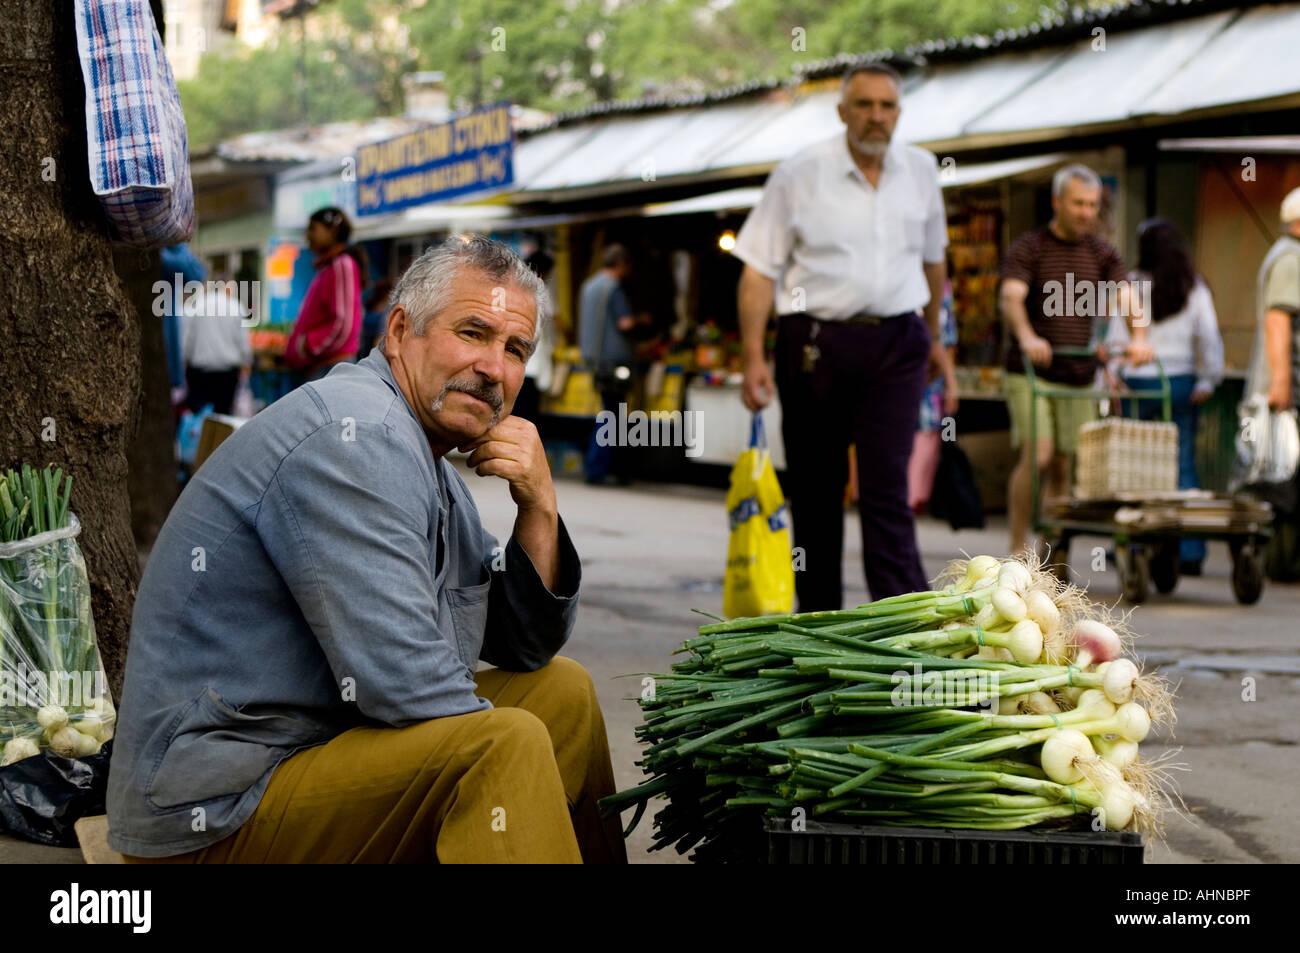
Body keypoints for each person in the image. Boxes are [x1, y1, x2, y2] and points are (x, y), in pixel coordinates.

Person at [106, 235, 626, 864]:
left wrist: (539, 506)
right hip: (218, 806)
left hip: (320, 750)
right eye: (472, 332)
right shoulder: (357, 435)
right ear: (401, 330)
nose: (494, 367)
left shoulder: (422, 453)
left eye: (514, 348)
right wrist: (504, 759)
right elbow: (409, 690)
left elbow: (524, 644)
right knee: (500, 745)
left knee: (560, 696)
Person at [733, 63, 954, 609]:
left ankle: (905, 630)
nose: (876, 117)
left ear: (898, 113)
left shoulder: (923, 169)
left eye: (887, 106)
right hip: (814, 347)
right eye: (864, 105)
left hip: (899, 343)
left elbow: (934, 263)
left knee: (888, 494)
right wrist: (753, 357)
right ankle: (820, 627)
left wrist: (935, 339)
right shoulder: (799, 173)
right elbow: (758, 270)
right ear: (842, 111)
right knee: (815, 494)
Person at [999, 164, 1154, 557]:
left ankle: (1053, 554)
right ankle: (1018, 545)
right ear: (1057, 202)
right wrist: (1028, 336)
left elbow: (1125, 296)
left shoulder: (1102, 252)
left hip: (1079, 373)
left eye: (1093, 205)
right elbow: (1011, 297)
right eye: (1079, 203)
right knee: (1039, 454)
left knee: (1066, 465)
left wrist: (1139, 337)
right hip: (1032, 371)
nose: (1087, 212)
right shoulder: (1030, 248)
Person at [1105, 219, 1223, 575]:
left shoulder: (1131, 286)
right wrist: (1208, 380)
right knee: (1182, 464)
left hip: (1138, 383)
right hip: (1181, 383)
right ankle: (1189, 550)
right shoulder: (1194, 287)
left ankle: (1134, 542)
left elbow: (1115, 336)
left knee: (1134, 464)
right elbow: (1209, 336)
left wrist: (1110, 375)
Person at [1244, 187, 1300, 579]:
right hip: (1289, 387)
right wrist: (1281, 382)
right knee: (1284, 479)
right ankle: (1282, 564)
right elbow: (1278, 320)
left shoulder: (1283, 253)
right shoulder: (1291, 258)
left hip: (1286, 385)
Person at [283, 206, 367, 383]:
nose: (308, 236)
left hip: (331, 367)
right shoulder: (328, 267)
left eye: (313, 229)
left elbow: (344, 323)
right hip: (321, 367)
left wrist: (309, 345)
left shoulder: (342, 265)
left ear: (333, 231)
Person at [579, 244, 637, 485]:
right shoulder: (613, 289)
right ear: (621, 264)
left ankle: (598, 466)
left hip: (594, 358)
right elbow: (624, 323)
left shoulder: (589, 286)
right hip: (614, 361)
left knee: (606, 412)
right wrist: (640, 320)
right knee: (612, 415)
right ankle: (599, 467)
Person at [909, 280, 960, 513]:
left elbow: (944, 340)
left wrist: (950, 383)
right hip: (911, 377)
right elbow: (943, 340)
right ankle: (910, 499)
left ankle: (912, 499)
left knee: (925, 438)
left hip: (925, 382)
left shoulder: (941, 287)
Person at [180, 272, 254, 416]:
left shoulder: (197, 306)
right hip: (227, 374)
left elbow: (188, 339)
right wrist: (247, 362)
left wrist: (185, 359)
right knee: (222, 417)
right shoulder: (235, 307)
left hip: (200, 372)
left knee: (199, 417)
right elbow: (243, 341)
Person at [514, 248, 556, 424]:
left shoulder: (515, 288)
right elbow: (556, 317)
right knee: (528, 412)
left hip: (519, 360)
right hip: (532, 360)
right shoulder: (540, 290)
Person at [357, 277, 392, 361]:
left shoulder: (369, 305)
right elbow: (381, 334)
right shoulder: (387, 309)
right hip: (372, 347)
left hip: (362, 346)